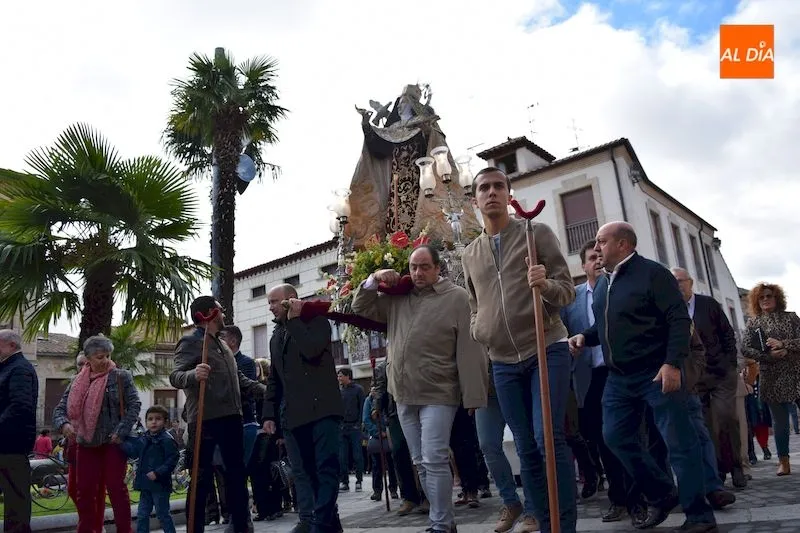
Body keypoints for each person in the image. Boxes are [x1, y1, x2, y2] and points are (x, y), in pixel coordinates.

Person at [568, 221, 717, 533]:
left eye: (601, 241)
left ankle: (700, 517)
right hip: (619, 379)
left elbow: (678, 320)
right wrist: (585, 337)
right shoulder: (605, 285)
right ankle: (663, 493)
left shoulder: (653, 273)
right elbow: (608, 328)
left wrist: (672, 363)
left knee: (680, 443)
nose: (596, 248)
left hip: (657, 373)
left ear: (623, 244)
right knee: (615, 437)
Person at [461, 168, 576, 533]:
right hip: (503, 362)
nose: (491, 192)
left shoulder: (535, 234)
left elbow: (567, 290)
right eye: (483, 188)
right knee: (525, 447)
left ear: (509, 194)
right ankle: (542, 522)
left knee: (547, 438)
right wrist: (480, 329)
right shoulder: (470, 254)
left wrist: (545, 285)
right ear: (475, 199)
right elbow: (474, 306)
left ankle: (564, 527)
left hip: (546, 346)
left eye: (498, 186)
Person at [352, 245, 488, 533]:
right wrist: (375, 278)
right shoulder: (398, 299)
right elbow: (360, 307)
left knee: (434, 457)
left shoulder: (457, 298)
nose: (418, 272)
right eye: (413, 266)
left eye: (425, 266)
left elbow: (469, 349)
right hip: (402, 393)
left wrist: (474, 393)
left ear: (438, 268)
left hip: (440, 391)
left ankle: (439, 523)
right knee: (420, 462)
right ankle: (445, 521)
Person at [170, 296, 267, 533]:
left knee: (236, 476)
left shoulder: (222, 345)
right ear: (210, 313)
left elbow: (240, 380)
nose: (224, 315)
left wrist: (266, 391)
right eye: (221, 311)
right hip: (205, 419)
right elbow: (176, 376)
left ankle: (241, 526)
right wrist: (194, 374)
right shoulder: (191, 342)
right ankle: (195, 528)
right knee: (201, 478)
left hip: (232, 418)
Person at [262, 284, 344, 533]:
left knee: (326, 468)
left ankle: (318, 523)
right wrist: (269, 414)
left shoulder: (317, 322)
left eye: (275, 301)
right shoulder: (276, 336)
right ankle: (329, 524)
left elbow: (311, 350)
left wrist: (295, 320)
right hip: (294, 416)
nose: (271, 307)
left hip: (323, 410)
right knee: (307, 473)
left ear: (291, 301)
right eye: (269, 302)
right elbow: (274, 379)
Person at [53, 334, 141, 533]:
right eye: (100, 357)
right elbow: (60, 409)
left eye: (108, 356)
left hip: (113, 442)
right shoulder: (77, 381)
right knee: (84, 491)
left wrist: (121, 431)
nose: (106, 361)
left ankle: (124, 530)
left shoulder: (121, 376)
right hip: (85, 443)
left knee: (116, 489)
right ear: (89, 358)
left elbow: (134, 405)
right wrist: (64, 425)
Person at [671, 267, 746, 488]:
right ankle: (717, 471)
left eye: (680, 281)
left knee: (725, 418)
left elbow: (727, 334)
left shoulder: (708, 304)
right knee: (705, 426)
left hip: (721, 373)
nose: (677, 286)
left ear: (690, 282)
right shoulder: (674, 310)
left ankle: (736, 467)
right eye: (673, 282)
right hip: (696, 379)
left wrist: (731, 364)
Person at [740, 282, 800, 476]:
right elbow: (746, 348)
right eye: (762, 297)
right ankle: (784, 461)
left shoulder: (791, 318)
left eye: (769, 296)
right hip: (772, 376)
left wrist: (785, 345)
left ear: (777, 298)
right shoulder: (754, 322)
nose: (766, 299)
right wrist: (769, 356)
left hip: (796, 371)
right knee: (780, 421)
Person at [0, 329, 38, 533]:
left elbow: (20, 406)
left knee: (16, 501)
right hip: (6, 444)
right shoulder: (9, 368)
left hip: (11, 445)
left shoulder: (19, 369)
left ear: (11, 346)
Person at [123, 405, 179, 533]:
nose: (153, 422)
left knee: (162, 514)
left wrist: (158, 473)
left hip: (160, 485)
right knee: (142, 514)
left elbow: (172, 459)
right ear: (146, 422)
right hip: (145, 484)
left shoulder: (166, 440)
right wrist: (121, 443)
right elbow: (134, 452)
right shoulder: (144, 438)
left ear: (165, 422)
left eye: (158, 419)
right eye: (150, 419)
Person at [337, 367, 365, 492]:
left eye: (341, 376)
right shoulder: (339, 391)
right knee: (342, 457)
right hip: (342, 428)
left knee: (357, 456)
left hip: (355, 427)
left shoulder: (358, 389)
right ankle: (344, 481)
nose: (339, 378)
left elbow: (362, 408)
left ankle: (359, 480)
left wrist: (359, 424)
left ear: (348, 376)